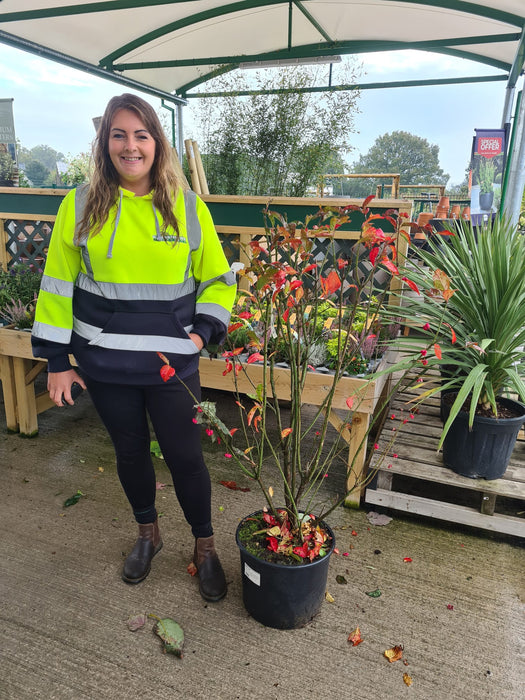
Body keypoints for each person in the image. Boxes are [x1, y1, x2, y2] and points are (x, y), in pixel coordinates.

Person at [31, 93, 236, 602]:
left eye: (141, 135)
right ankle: (148, 533)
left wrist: (201, 333)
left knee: (187, 457)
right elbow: (57, 285)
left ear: (156, 144)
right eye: (119, 135)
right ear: (104, 144)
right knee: (129, 453)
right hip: (105, 362)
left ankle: (204, 546)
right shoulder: (78, 205)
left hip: (172, 365)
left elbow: (218, 279)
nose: (130, 146)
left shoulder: (186, 207)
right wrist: (57, 361)